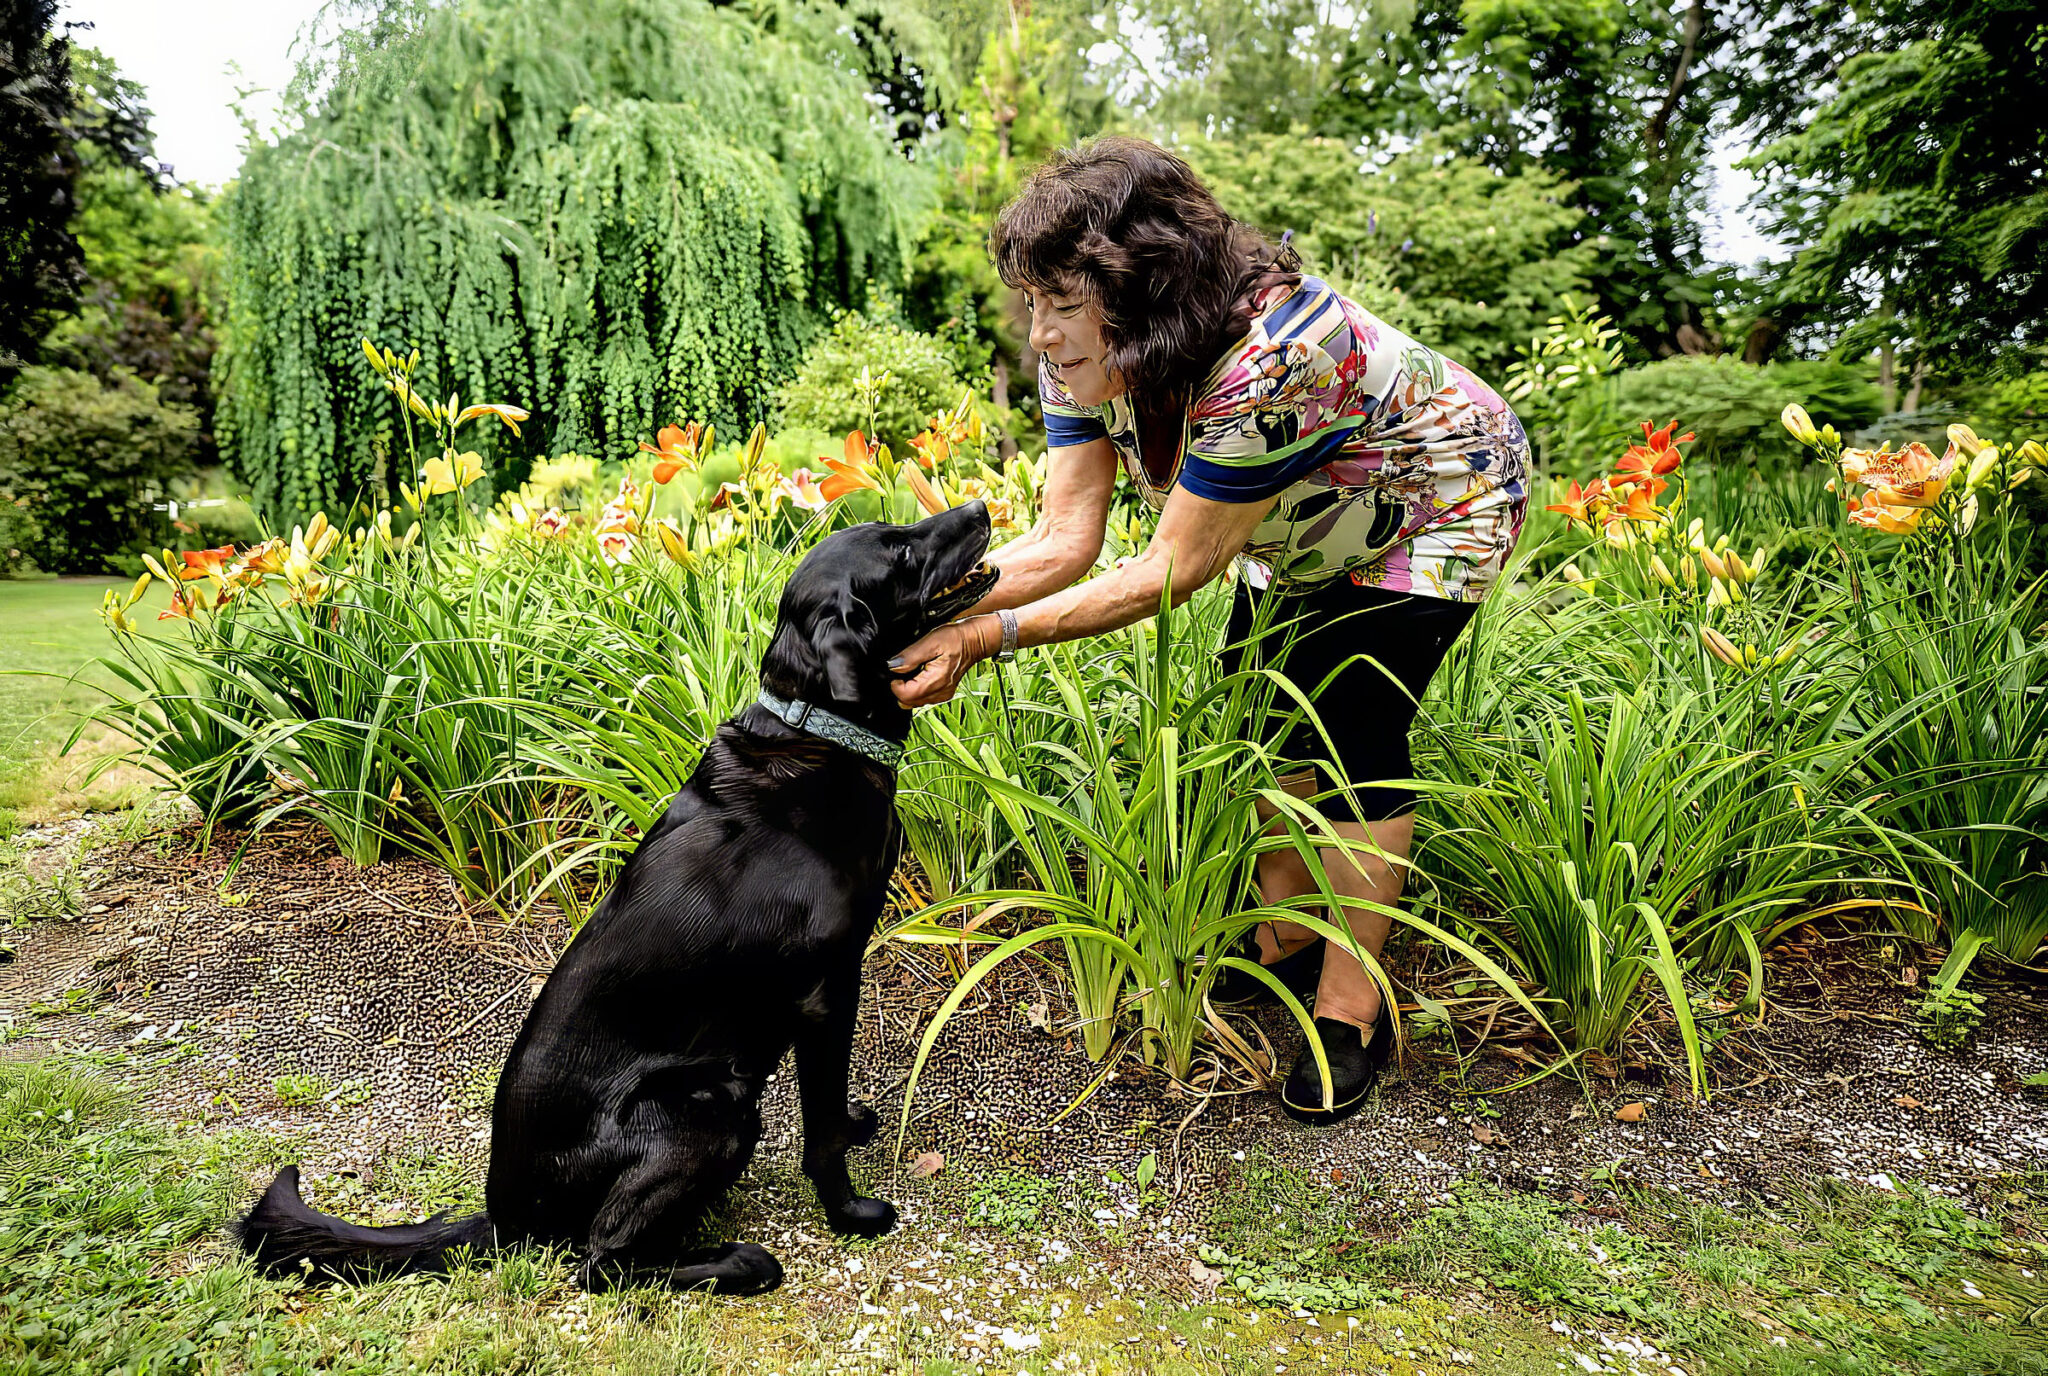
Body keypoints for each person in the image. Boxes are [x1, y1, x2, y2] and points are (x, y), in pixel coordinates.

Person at [888, 135, 1528, 1124]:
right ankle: (1286, 930)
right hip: (1300, 514)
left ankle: (1350, 1006)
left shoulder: (1278, 356)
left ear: (1142, 292)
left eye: (1063, 305)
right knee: (1257, 712)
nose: (1043, 335)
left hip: (1436, 498)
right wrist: (920, 609)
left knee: (1350, 721)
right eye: (1033, 303)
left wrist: (978, 640)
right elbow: (1063, 537)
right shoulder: (1088, 358)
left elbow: (1168, 571)